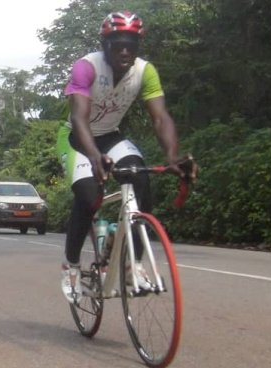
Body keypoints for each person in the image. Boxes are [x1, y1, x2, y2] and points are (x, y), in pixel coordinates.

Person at [57, 11, 187, 303]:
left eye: (132, 43)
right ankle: (71, 265)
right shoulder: (86, 67)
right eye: (118, 44)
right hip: (77, 139)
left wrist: (172, 156)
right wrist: (93, 155)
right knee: (89, 197)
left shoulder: (145, 71)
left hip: (111, 135)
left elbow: (160, 118)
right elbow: (79, 118)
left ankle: (133, 265)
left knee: (139, 178)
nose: (125, 50)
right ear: (105, 44)